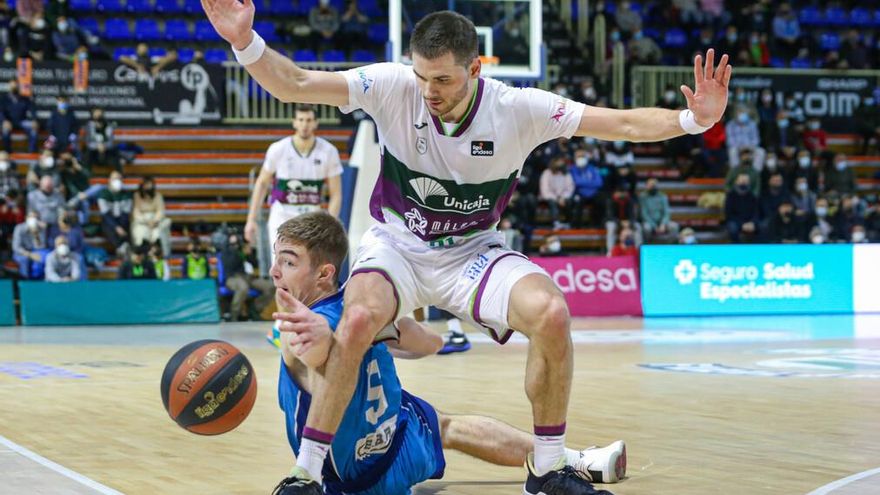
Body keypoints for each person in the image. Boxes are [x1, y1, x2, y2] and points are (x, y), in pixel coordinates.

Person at [202, 3, 731, 492]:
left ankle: (546, 467)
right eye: (421, 76)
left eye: (443, 79)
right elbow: (294, 82)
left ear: (475, 69)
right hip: (398, 244)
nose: (429, 90)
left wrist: (693, 121)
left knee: (549, 311)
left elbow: (619, 122)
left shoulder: (519, 108)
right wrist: (245, 41)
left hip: (472, 253)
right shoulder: (392, 86)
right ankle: (307, 475)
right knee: (359, 320)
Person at [270, 213, 623, 495]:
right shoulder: (364, 305)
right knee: (447, 426)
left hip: (345, 481)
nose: (274, 271)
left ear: (324, 273)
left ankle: (306, 473)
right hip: (401, 443)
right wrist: (417, 334)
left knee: (440, 425)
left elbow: (316, 356)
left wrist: (322, 338)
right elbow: (426, 343)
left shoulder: (300, 326)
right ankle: (577, 460)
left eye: (287, 262)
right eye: (276, 259)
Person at [245, 104, 343, 261]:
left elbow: (336, 194)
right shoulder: (278, 148)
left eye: (309, 120)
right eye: (301, 120)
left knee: (308, 266)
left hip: (311, 215)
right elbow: (262, 183)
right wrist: (251, 219)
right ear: (294, 122)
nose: (305, 125)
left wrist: (329, 224)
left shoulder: (329, 151)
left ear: (316, 123)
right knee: (280, 264)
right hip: (282, 212)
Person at [221, 232, 274, 321]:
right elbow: (230, 265)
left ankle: (255, 308)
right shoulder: (226, 251)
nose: (237, 244)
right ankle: (234, 315)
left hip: (248, 277)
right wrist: (237, 253)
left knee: (270, 286)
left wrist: (249, 254)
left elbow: (255, 264)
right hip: (233, 278)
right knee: (243, 287)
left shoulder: (244, 250)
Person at [131, 176, 171, 256]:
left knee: (158, 233)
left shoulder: (158, 196)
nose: (148, 187)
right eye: (146, 184)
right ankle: (143, 255)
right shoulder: (136, 196)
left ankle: (159, 255)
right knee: (141, 233)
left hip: (155, 221)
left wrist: (155, 221)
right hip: (142, 221)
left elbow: (160, 210)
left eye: (149, 184)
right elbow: (136, 212)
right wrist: (145, 221)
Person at [98, 170, 132, 254]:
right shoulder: (103, 193)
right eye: (114, 179)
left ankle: (124, 248)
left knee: (127, 227)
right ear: (109, 180)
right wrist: (117, 227)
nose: (117, 181)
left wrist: (121, 227)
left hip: (122, 220)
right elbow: (105, 214)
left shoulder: (127, 194)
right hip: (109, 221)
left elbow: (125, 213)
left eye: (119, 179)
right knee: (109, 227)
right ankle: (121, 247)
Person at [1, 79, 38, 153]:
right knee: (5, 132)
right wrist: (4, 121)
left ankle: (32, 151)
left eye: (16, 84)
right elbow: (0, 112)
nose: (14, 86)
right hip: (9, 122)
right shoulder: (3, 99)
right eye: (12, 84)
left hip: (21, 121)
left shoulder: (24, 98)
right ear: (9, 86)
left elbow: (32, 110)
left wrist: (34, 120)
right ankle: (8, 152)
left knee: (34, 129)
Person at [12, 210, 48, 278]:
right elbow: (16, 247)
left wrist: (36, 234)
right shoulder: (19, 228)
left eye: (36, 217)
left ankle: (38, 280)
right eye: (31, 217)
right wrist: (30, 254)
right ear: (26, 218)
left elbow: (41, 247)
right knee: (24, 260)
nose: (33, 219)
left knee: (43, 257)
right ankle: (25, 281)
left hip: (36, 250)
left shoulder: (42, 228)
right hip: (22, 252)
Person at [725, 173, 759, 243]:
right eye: (742, 180)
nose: (744, 182)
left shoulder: (752, 196)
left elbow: (756, 212)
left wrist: (752, 222)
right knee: (733, 228)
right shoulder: (731, 196)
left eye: (746, 180)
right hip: (735, 221)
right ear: (736, 182)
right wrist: (742, 224)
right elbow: (729, 214)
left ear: (749, 183)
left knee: (761, 226)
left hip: (749, 222)